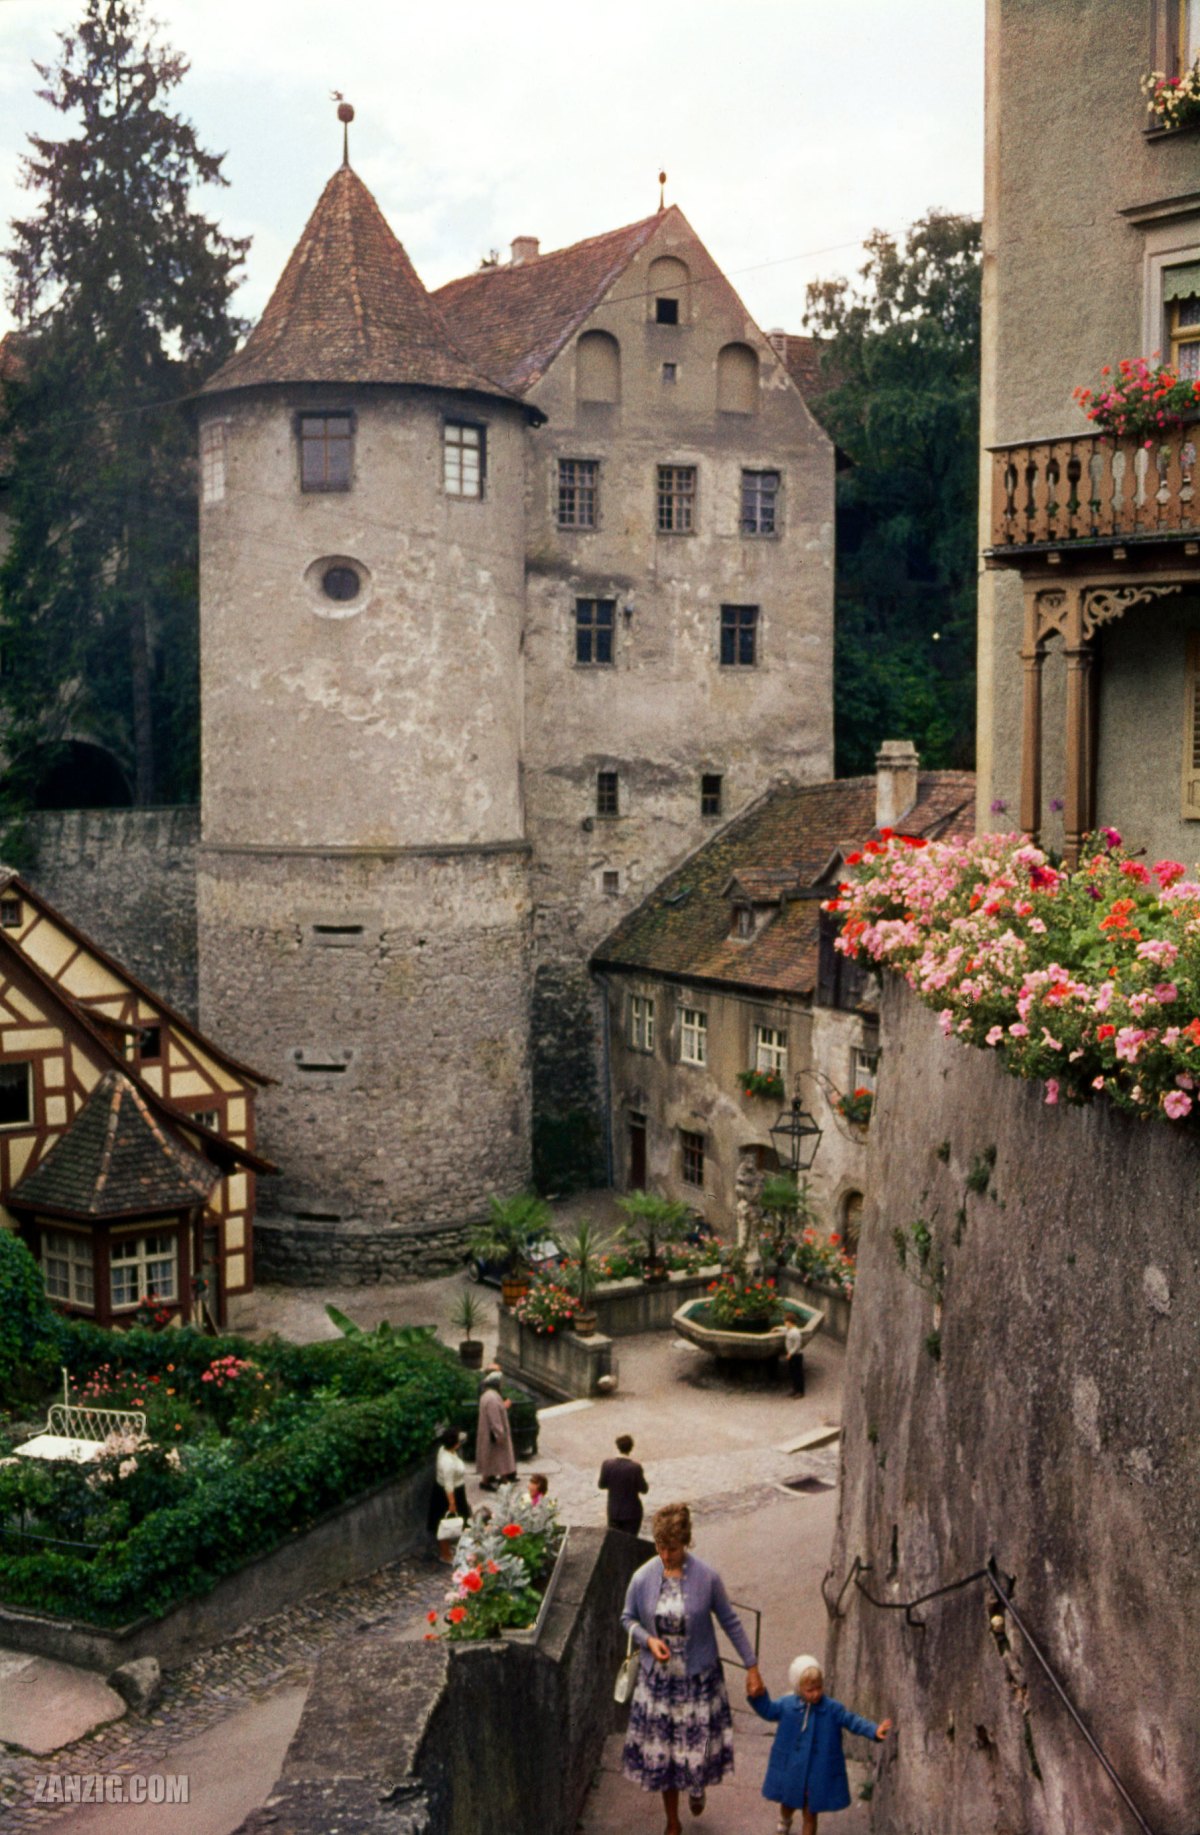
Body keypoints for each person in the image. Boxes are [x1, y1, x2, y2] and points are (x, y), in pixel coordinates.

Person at [620, 1501, 763, 1835]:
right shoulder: (642, 1577)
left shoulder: (708, 1578)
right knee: (666, 1757)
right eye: (660, 1548)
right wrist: (646, 1640)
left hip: (699, 1681)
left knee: (694, 1752)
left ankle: (697, 1788)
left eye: (672, 1548)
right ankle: (672, 1821)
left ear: (685, 1543)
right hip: (659, 1685)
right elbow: (627, 1618)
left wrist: (752, 1666)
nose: (665, 1555)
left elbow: (730, 1622)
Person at [749, 1655, 892, 1835]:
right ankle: (786, 1819)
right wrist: (758, 1696)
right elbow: (768, 1711)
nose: (815, 1693)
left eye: (818, 1688)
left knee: (810, 1813)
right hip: (793, 1769)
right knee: (788, 1803)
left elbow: (852, 1720)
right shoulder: (787, 1706)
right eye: (810, 1689)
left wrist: (873, 1730)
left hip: (816, 1773)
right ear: (799, 1688)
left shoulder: (832, 1709)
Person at [429, 1426, 469, 1563]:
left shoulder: (445, 1450)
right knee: (444, 1524)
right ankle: (445, 1555)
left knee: (455, 1522)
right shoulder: (448, 1463)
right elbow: (448, 1485)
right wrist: (452, 1504)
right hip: (449, 1495)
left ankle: (451, 1550)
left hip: (454, 1491)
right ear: (455, 1444)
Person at [599, 1433, 649, 1535]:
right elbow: (644, 1489)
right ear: (631, 1448)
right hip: (632, 1512)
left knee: (615, 1541)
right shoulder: (635, 1468)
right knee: (630, 1542)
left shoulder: (607, 1464)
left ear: (617, 1447)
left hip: (614, 1511)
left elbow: (601, 1485)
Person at [475, 1368, 517, 1491]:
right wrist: (500, 1434)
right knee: (500, 1456)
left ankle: (489, 1480)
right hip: (493, 1435)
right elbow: (495, 1419)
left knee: (492, 1457)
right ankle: (498, 1481)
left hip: (488, 1433)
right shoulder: (492, 1398)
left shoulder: (486, 1396)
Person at [783, 1316, 806, 1396]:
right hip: (792, 1355)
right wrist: (776, 1328)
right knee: (793, 1373)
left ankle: (800, 1391)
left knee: (797, 1374)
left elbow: (797, 1345)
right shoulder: (790, 1330)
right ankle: (795, 1389)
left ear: (790, 1322)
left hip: (796, 1356)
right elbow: (784, 1329)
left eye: (786, 1322)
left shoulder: (795, 1333)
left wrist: (790, 1353)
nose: (785, 1324)